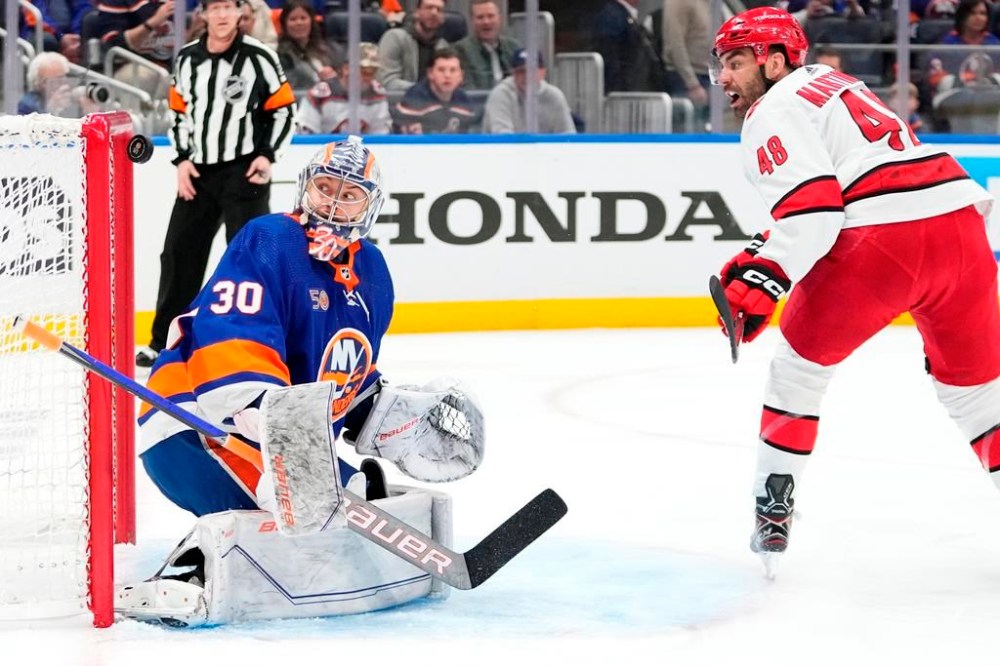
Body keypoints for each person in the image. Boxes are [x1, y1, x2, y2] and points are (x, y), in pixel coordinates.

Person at [119, 138, 484, 626]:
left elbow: (342, 372)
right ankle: (187, 574)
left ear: (370, 205)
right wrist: (274, 428)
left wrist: (389, 418)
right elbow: (231, 336)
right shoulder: (269, 239)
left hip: (290, 444)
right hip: (198, 427)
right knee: (320, 527)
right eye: (325, 187)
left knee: (363, 511)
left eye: (350, 194)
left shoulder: (371, 272)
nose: (334, 202)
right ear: (304, 188)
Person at [710, 7, 996, 577]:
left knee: (797, 370)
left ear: (774, 60)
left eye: (736, 62)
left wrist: (763, 280)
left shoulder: (772, 109)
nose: (724, 79)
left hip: (882, 247)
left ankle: (773, 509)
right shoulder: (840, 84)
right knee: (979, 398)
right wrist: (771, 247)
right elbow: (857, 176)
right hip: (961, 228)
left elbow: (816, 212)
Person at [136, 0, 297, 368]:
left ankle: (255, 341)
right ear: (204, 14)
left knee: (250, 259)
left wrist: (267, 155)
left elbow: (285, 109)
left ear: (241, 12)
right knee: (179, 254)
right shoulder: (188, 58)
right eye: (216, 7)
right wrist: (181, 161)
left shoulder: (260, 57)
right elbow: (179, 115)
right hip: (199, 174)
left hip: (245, 172)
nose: (223, 15)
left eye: (230, 6)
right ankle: (164, 342)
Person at [299, 42, 392, 134]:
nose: (369, 78)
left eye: (373, 72)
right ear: (346, 69)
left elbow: (380, 137)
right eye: (365, 72)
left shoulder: (377, 94)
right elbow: (305, 135)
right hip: (323, 147)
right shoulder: (319, 95)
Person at [481, 48, 576, 134]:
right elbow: (503, 138)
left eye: (532, 71)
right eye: (521, 72)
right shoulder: (500, 95)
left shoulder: (554, 96)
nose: (527, 76)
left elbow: (568, 136)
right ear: (513, 74)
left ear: (543, 72)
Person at [392, 47, 476, 134]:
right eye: (441, 70)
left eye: (453, 70)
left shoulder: (464, 101)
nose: (447, 75)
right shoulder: (414, 99)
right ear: (430, 73)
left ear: (461, 76)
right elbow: (409, 144)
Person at [591, 0, 665, 93]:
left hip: (630, 86)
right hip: (621, 89)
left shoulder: (622, 14)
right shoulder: (613, 16)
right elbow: (610, 55)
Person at [377, 0, 448, 92]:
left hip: (434, 104)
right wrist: (426, 90)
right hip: (397, 102)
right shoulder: (395, 38)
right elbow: (387, 82)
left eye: (439, 9)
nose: (434, 13)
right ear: (417, 12)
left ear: (443, 18)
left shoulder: (444, 47)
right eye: (429, 7)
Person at [452, 0, 520, 90]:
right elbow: (468, 90)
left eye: (491, 16)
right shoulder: (460, 50)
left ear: (500, 18)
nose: (486, 22)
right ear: (472, 21)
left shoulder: (513, 47)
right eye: (480, 17)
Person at [276, 0, 339, 90]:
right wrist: (319, 79)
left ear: (311, 22)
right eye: (293, 19)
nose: (299, 23)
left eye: (303, 18)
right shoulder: (282, 55)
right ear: (285, 25)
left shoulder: (325, 48)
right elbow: (291, 87)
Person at [661, 0, 712, 109]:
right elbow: (675, 43)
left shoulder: (708, 4)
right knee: (689, 124)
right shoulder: (679, 2)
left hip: (707, 75)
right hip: (686, 79)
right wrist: (692, 84)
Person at [17, 51, 101, 116]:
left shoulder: (74, 98)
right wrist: (51, 110)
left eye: (65, 77)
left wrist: (92, 114)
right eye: (55, 80)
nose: (63, 84)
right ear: (39, 84)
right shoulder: (28, 105)